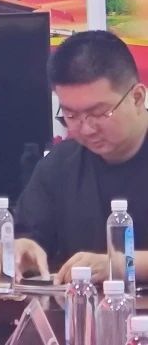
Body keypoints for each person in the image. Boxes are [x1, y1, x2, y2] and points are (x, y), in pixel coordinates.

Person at [15, 30, 148, 284]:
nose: (85, 129)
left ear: (137, 98)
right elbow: (28, 234)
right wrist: (23, 249)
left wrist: (121, 265)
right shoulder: (58, 166)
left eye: (99, 113)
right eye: (71, 115)